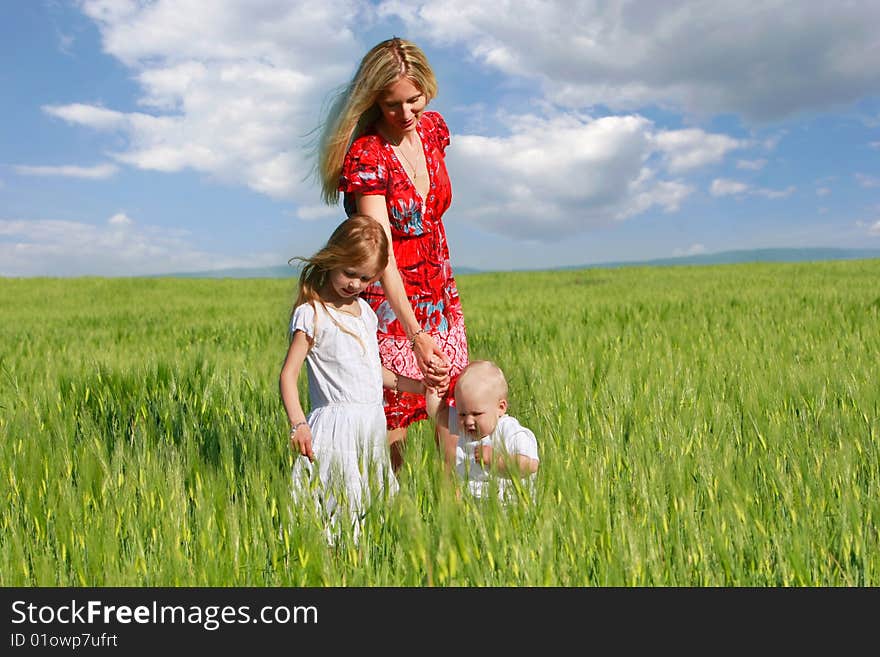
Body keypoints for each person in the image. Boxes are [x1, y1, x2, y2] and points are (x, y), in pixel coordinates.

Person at [316, 37, 468, 471]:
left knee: (450, 397)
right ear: (374, 102)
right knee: (394, 410)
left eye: (413, 101)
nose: (405, 115)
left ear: (428, 90)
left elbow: (432, 212)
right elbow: (380, 253)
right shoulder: (368, 156)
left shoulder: (434, 130)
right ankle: (389, 505)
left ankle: (450, 508)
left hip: (440, 291)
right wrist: (414, 332)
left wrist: (434, 315)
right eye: (391, 105)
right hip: (390, 299)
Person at [279, 214, 430, 541]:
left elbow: (372, 370)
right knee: (335, 512)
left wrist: (414, 385)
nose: (355, 284)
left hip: (370, 427)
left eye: (365, 278)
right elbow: (288, 375)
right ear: (334, 257)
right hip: (335, 431)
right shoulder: (313, 313)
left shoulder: (365, 312)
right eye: (349, 273)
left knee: (368, 512)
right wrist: (298, 423)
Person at [435, 360, 539, 500]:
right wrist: (433, 391)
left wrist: (496, 460)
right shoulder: (465, 426)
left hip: (509, 508)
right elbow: (437, 413)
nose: (468, 421)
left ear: (501, 408)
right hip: (474, 509)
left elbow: (530, 466)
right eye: (462, 414)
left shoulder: (509, 430)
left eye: (476, 414)